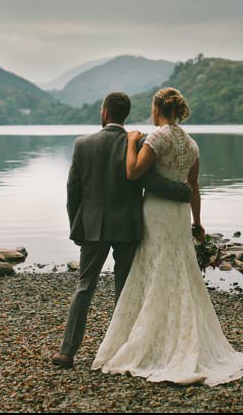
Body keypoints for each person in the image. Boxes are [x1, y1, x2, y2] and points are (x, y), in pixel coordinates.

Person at [92, 87, 243, 385]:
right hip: (179, 216)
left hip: (156, 212)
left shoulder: (157, 137)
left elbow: (133, 172)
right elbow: (194, 188)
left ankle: (154, 340)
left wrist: (131, 142)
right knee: (180, 271)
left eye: (153, 108)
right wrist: (198, 223)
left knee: (154, 269)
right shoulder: (191, 144)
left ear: (157, 109)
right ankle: (180, 334)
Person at [51, 91, 194, 369]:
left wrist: (76, 228)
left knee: (84, 287)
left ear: (104, 113)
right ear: (125, 115)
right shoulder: (137, 142)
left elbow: (73, 191)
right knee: (125, 289)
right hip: (128, 226)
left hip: (92, 227)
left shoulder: (82, 144)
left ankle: (67, 352)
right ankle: (121, 351)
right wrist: (183, 191)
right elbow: (150, 181)